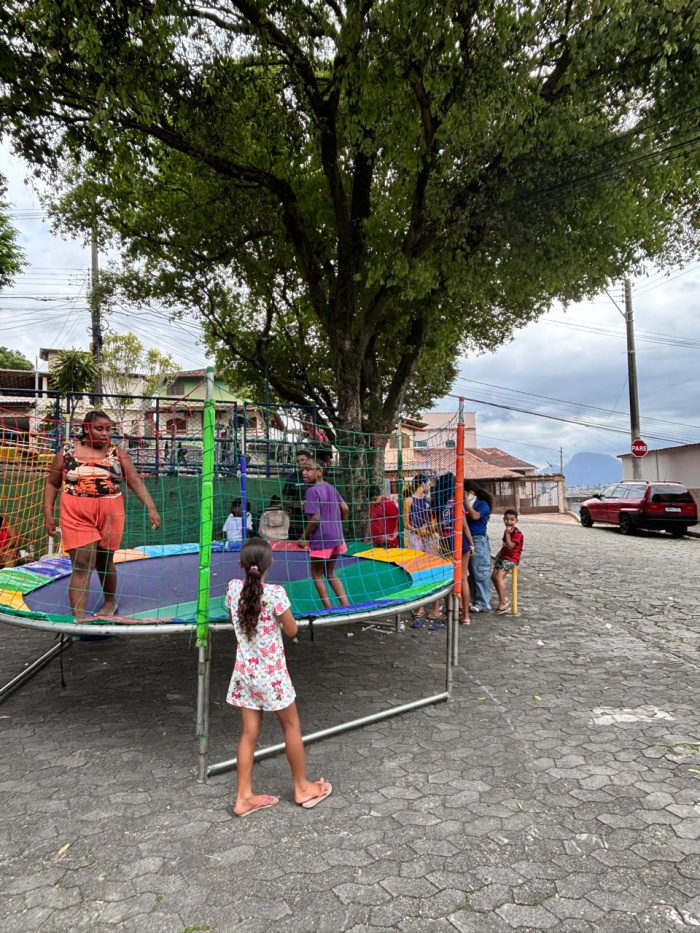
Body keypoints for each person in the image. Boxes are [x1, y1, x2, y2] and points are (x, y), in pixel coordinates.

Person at [225, 537, 332, 816]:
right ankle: (302, 787)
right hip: (272, 676)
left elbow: (234, 618)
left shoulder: (233, 590)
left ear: (241, 564)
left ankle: (243, 797)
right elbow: (292, 630)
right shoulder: (274, 594)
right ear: (269, 564)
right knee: (291, 727)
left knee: (249, 733)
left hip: (245, 674)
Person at [43, 410, 161, 621]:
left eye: (109, 429)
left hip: (110, 514)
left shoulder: (117, 453)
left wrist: (151, 508)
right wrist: (48, 515)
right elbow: (52, 483)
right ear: (86, 428)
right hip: (76, 513)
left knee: (104, 561)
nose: (105, 433)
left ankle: (110, 601)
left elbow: (133, 479)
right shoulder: (67, 452)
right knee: (82, 562)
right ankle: (79, 617)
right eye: (100, 429)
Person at [298, 461, 350, 609]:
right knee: (331, 573)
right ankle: (346, 606)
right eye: (302, 469)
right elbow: (345, 508)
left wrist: (303, 537)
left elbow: (315, 518)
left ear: (320, 471)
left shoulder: (312, 491)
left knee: (317, 574)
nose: (304, 473)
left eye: (308, 469)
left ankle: (329, 609)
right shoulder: (332, 488)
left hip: (321, 538)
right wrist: (338, 525)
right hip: (337, 537)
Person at [464, 480, 494, 613]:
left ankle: (483, 602)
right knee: (471, 573)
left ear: (471, 492)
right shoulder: (470, 504)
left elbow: (475, 516)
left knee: (480, 571)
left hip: (478, 539)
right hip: (468, 538)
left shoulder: (482, 504)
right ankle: (474, 599)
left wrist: (466, 503)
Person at [492, 508, 524, 614]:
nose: (509, 522)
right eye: (507, 519)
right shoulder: (506, 532)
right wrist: (497, 556)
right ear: (503, 519)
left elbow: (510, 547)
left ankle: (503, 603)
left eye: (512, 519)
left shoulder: (517, 534)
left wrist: (507, 534)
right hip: (504, 556)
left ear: (516, 521)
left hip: (511, 558)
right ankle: (504, 598)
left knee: (499, 577)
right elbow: (504, 546)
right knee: (493, 577)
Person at [283, 449, 314, 539]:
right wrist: (298, 505)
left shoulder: (317, 476)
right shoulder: (293, 477)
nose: (300, 463)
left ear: (309, 460)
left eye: (302, 460)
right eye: (298, 461)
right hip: (297, 522)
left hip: (314, 521)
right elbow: (284, 500)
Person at [403, 475, 432, 551]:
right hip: (414, 536)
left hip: (427, 535)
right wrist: (417, 530)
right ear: (423, 484)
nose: (429, 486)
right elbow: (406, 523)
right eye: (428, 484)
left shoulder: (427, 500)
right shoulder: (409, 500)